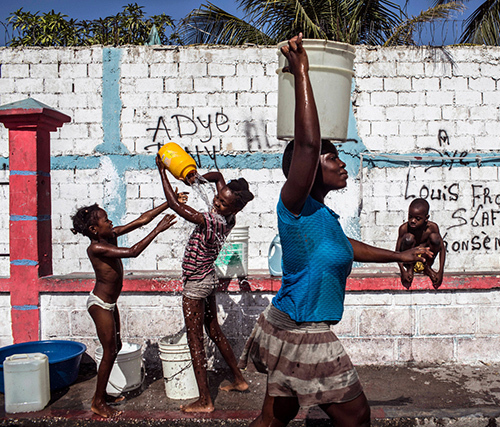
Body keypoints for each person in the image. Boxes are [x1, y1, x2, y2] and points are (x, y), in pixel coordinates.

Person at [239, 34, 431, 427]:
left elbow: (345, 247)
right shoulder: (293, 207)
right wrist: (302, 73)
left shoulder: (323, 216)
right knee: (357, 416)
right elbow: (307, 146)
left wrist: (400, 256)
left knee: (276, 417)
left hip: (291, 326)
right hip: (302, 332)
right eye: (333, 157)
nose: (342, 164)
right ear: (308, 171)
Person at [156, 156, 254, 413]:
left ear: (233, 209)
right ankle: (239, 380)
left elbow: (176, 206)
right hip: (207, 279)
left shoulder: (215, 221)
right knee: (213, 330)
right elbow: (217, 179)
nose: (216, 202)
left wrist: (162, 171)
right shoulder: (227, 215)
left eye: (222, 203)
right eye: (218, 198)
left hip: (196, 284)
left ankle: (205, 400)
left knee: (195, 339)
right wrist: (194, 178)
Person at [71, 200, 182, 418]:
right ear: (94, 229)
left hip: (110, 304)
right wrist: (158, 230)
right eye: (105, 219)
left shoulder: (109, 235)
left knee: (116, 346)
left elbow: (142, 219)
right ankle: (97, 401)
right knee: (110, 350)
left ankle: (102, 394)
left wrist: (169, 203)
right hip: (99, 305)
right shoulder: (96, 248)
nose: (110, 221)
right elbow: (132, 251)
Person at [396, 198, 446, 289]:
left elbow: (442, 248)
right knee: (408, 238)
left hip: (425, 260)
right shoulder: (404, 228)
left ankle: (427, 268)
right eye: (410, 216)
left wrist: (440, 271)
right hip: (409, 262)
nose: (412, 220)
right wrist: (403, 271)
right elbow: (397, 252)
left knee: (435, 238)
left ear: (426, 218)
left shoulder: (432, 228)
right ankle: (410, 268)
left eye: (417, 218)